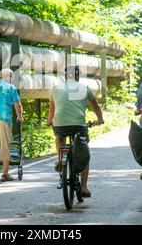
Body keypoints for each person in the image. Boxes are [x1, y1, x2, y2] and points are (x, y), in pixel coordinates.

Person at [47, 65, 104, 198]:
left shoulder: (55, 89)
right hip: (78, 125)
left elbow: (51, 112)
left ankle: (60, 159)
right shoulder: (85, 88)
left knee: (60, 137)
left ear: (66, 76)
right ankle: (84, 187)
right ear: (78, 76)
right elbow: (96, 107)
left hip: (60, 125)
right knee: (84, 153)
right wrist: (100, 120)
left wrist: (50, 121)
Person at [0, 68, 24, 182]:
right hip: (4, 118)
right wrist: (19, 117)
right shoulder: (11, 88)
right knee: (5, 144)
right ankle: (5, 173)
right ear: (10, 77)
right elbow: (18, 105)